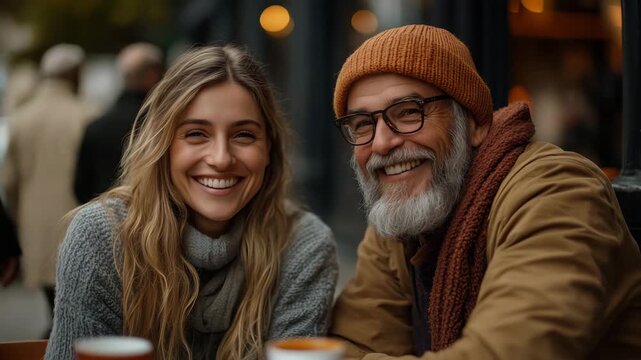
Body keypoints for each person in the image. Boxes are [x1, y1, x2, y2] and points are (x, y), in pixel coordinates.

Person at [329, 25, 641, 359]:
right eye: (362, 123)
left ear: (474, 124)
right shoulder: (400, 221)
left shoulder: (558, 190)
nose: (381, 143)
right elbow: (354, 343)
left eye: (408, 112)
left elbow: (510, 352)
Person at [45, 45, 338, 360]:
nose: (221, 158)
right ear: (163, 144)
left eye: (244, 135)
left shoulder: (303, 245)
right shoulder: (102, 238)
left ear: (269, 150)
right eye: (197, 133)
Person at [1, 43, 93, 319]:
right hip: (78, 224)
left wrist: (17, 219)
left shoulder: (21, 118)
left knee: (52, 308)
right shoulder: (88, 116)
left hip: (35, 225)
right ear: (76, 74)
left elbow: (9, 182)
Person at [74, 42, 164, 203]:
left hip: (104, 216)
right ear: (153, 75)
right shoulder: (162, 123)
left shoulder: (96, 127)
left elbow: (81, 188)